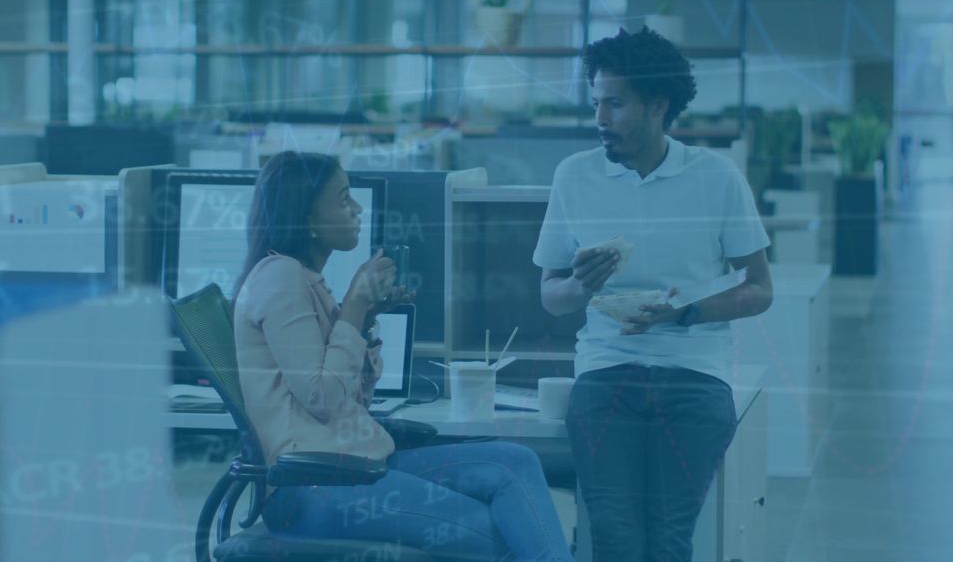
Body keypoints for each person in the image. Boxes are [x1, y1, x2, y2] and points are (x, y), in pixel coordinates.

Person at [233, 151, 574, 562]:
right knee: (510, 535)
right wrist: (355, 307)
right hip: (315, 486)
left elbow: (350, 404)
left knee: (515, 462)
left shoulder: (305, 281)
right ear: (306, 218)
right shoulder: (280, 277)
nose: (358, 209)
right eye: (343, 199)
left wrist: (365, 320)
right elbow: (320, 397)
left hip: (355, 465)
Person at [533, 28, 774, 562]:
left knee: (667, 539)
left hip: (694, 376)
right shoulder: (574, 176)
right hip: (606, 374)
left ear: (658, 105)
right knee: (615, 537)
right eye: (596, 102)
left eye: (615, 104)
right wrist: (581, 285)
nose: (600, 119)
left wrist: (685, 312)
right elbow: (551, 295)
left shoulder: (716, 176)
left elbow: (759, 290)